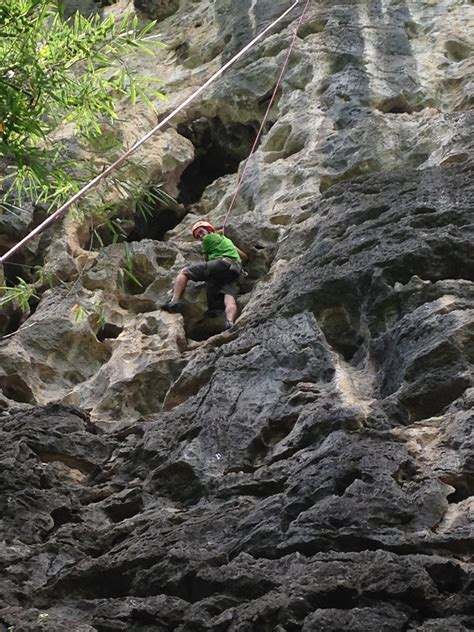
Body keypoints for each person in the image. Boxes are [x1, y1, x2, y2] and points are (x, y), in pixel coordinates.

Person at [161, 220, 248, 330]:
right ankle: (229, 321)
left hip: (221, 264)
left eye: (201, 232)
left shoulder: (208, 239)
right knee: (229, 296)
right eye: (198, 236)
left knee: (184, 272)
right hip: (235, 270)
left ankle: (174, 301)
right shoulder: (227, 241)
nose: (201, 236)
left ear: (209, 230)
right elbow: (244, 256)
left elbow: (206, 259)